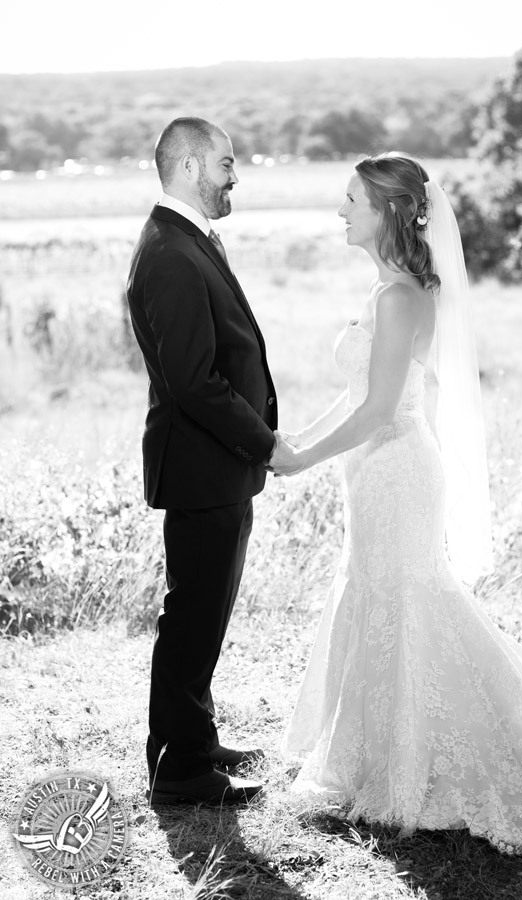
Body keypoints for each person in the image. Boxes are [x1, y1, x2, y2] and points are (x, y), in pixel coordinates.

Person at [272, 153, 522, 861]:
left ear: (389, 210)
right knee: (381, 599)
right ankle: (376, 754)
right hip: (377, 470)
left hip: (397, 472)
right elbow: (361, 391)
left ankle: (423, 760)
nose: (341, 209)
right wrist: (294, 436)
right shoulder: (389, 289)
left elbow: (381, 409)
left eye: (352, 198)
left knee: (413, 605)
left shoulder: (398, 298)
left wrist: (302, 458)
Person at [126, 117, 294, 806]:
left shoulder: (189, 239)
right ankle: (180, 772)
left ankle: (193, 741)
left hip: (215, 467)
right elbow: (194, 381)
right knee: (192, 616)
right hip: (203, 466)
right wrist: (263, 439)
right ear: (193, 165)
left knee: (205, 612)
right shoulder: (169, 252)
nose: (235, 176)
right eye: (227, 163)